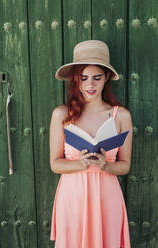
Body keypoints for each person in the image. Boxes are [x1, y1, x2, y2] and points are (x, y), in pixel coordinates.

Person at [49, 40, 133, 248]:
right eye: (83, 78)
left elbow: (125, 166)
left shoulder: (120, 115)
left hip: (107, 196)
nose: (90, 85)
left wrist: (105, 165)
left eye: (97, 78)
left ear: (106, 78)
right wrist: (82, 163)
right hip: (72, 196)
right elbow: (55, 164)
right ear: (76, 80)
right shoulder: (61, 114)